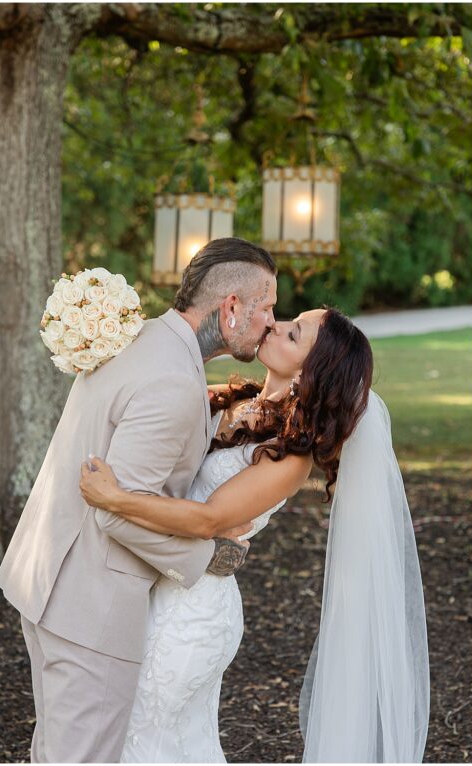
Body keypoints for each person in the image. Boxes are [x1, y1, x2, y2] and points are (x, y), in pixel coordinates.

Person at [79, 307, 429, 762]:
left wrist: (114, 499)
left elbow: (208, 520)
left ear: (310, 369)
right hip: (158, 583)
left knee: (151, 736)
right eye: (287, 319)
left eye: (293, 333)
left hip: (191, 613)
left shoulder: (289, 459)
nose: (275, 326)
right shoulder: (232, 401)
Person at [0, 238, 278, 762]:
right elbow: (117, 509)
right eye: (266, 309)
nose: (270, 323)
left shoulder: (146, 340)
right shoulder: (172, 378)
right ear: (232, 308)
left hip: (50, 580)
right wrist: (207, 556)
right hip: (89, 603)